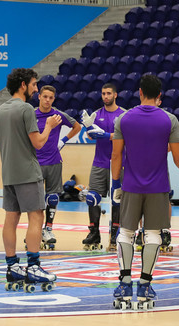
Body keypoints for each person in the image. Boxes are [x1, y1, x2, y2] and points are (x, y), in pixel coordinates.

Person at [111, 74, 179, 310]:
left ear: (140, 92)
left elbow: (116, 155)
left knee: (126, 233)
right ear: (160, 95)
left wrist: (115, 183)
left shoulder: (123, 118)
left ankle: (125, 284)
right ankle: (145, 285)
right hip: (158, 186)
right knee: (152, 235)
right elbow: (178, 156)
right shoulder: (169, 120)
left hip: (130, 185)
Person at [0, 68, 61, 291]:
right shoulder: (26, 109)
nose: (36, 89)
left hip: (8, 173)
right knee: (36, 217)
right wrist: (48, 126)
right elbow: (38, 142)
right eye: (33, 85)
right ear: (23, 85)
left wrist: (12, 143)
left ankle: (12, 267)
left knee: (11, 218)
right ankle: (33, 266)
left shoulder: (0, 110)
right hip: (28, 173)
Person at [33, 85, 82, 250]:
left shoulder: (58, 115)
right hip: (35, 163)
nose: (47, 100)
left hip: (54, 161)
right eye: (44, 96)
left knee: (52, 198)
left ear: (54, 99)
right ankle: (34, 231)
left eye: (50, 98)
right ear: (39, 96)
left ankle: (48, 229)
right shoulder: (31, 115)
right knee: (35, 200)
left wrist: (64, 140)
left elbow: (77, 127)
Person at [80, 83, 125, 251]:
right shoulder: (96, 114)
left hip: (119, 163)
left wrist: (106, 135)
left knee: (117, 199)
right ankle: (94, 232)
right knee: (92, 198)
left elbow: (126, 136)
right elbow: (90, 136)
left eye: (108, 93)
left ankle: (115, 233)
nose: (105, 96)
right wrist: (88, 128)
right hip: (99, 163)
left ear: (115, 95)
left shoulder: (123, 115)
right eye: (103, 93)